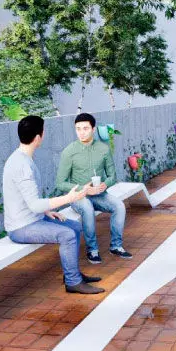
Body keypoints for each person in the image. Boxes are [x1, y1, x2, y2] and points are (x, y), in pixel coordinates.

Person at [3, 115, 104, 294]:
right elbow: (35, 204)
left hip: (34, 218)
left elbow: (28, 199)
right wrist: (70, 198)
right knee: (67, 235)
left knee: (74, 227)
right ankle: (73, 282)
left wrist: (47, 211)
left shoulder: (22, 158)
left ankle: (73, 273)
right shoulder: (22, 165)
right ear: (38, 137)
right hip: (21, 227)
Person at [56, 113, 132, 265]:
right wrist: (83, 189)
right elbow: (60, 183)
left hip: (99, 194)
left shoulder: (103, 149)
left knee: (119, 206)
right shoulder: (69, 152)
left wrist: (105, 184)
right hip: (78, 196)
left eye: (85, 128)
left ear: (93, 129)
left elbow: (112, 176)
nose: (81, 132)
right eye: (78, 129)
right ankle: (92, 250)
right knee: (87, 207)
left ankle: (116, 246)